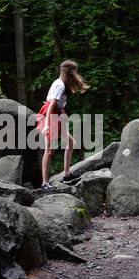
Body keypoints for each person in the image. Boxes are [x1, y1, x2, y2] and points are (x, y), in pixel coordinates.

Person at [36, 60, 90, 190]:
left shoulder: (60, 83)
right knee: (49, 151)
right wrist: (46, 125)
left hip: (57, 113)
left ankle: (67, 176)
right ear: (68, 72)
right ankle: (44, 183)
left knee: (71, 142)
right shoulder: (60, 85)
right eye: (74, 72)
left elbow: (57, 105)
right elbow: (50, 107)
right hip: (50, 114)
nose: (76, 74)